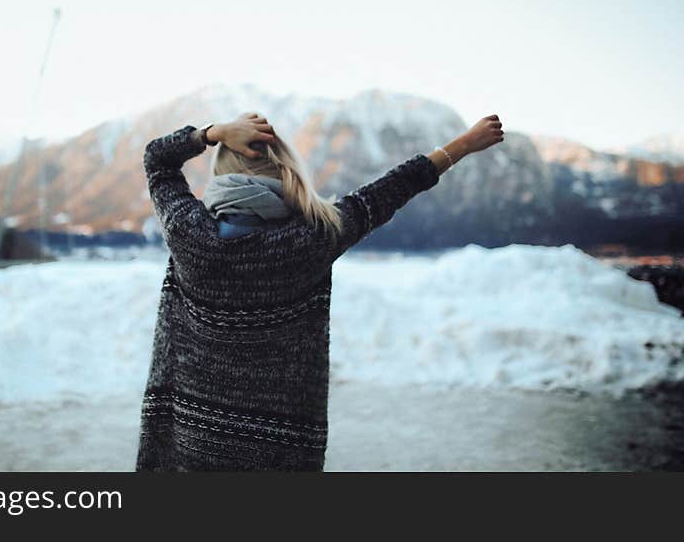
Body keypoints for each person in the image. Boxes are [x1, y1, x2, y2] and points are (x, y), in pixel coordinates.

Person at [136, 111, 504, 470]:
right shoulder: (316, 236)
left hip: (192, 442)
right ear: (285, 170)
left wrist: (211, 133)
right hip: (281, 453)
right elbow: (392, 189)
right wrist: (464, 144)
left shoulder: (189, 235)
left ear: (222, 173)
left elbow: (157, 160)